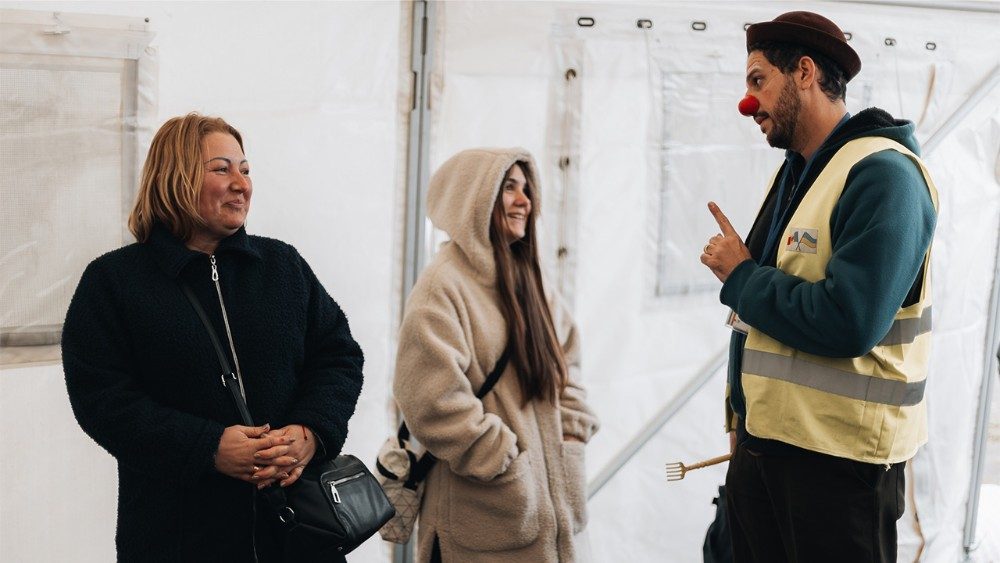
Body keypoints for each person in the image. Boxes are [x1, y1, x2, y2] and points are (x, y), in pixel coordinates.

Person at [62, 113, 364, 562]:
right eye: (222, 169)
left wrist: (312, 430)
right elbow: (102, 399)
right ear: (175, 177)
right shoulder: (113, 282)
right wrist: (206, 447)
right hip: (178, 538)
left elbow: (338, 356)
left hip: (298, 535)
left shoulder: (282, 266)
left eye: (246, 169)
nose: (242, 184)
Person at [699, 11, 939, 563]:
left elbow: (849, 321)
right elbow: (764, 320)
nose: (747, 102)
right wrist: (742, 420)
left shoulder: (884, 175)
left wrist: (741, 276)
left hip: (839, 469)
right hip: (768, 451)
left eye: (758, 80)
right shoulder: (798, 171)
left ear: (804, 72)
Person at [392, 148, 599, 562]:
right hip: (481, 520)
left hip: (549, 518)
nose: (525, 201)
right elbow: (430, 401)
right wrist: (501, 457)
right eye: (509, 188)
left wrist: (571, 432)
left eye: (527, 189)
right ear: (473, 197)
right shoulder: (442, 287)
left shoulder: (530, 279)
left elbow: (568, 364)